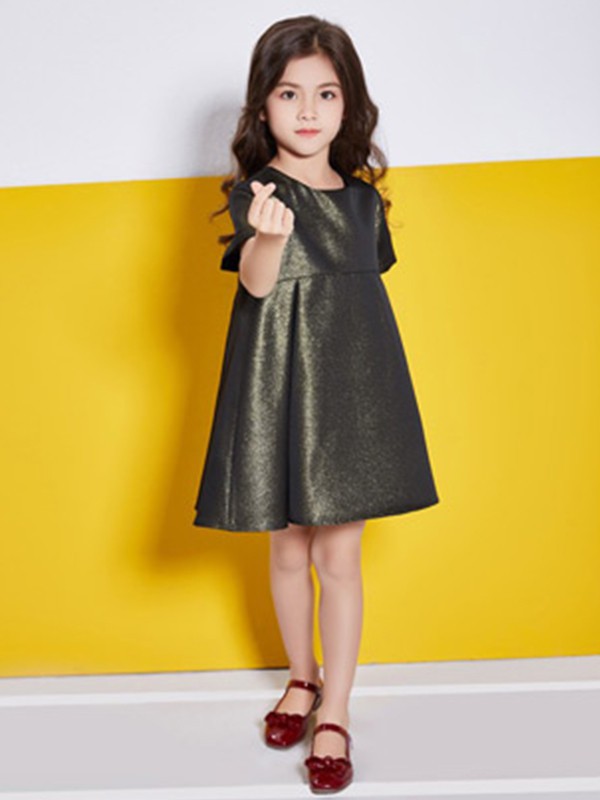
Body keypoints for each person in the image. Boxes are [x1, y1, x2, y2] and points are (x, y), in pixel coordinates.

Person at [193, 14, 439, 794]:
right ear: (262, 106)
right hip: (278, 384)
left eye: (326, 93)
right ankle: (301, 677)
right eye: (289, 93)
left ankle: (335, 708)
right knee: (288, 549)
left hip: (354, 390)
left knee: (340, 558)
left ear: (349, 103)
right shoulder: (260, 191)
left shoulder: (364, 202)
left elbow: (364, 301)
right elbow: (258, 282)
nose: (308, 110)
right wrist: (267, 236)